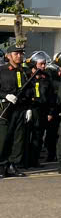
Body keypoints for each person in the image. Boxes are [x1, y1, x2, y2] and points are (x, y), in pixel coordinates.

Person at [0, 41, 34, 177]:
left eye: (21, 54)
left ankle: (12, 165)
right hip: (6, 108)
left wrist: (29, 108)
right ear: (8, 56)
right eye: (16, 54)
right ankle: (2, 166)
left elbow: (30, 91)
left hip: (21, 108)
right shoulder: (2, 71)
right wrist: (5, 95)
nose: (19, 56)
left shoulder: (25, 72)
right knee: (3, 139)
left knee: (18, 138)